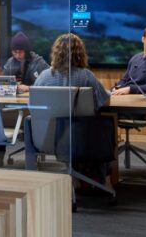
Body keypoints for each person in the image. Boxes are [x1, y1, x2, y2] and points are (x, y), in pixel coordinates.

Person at [32, 33, 112, 180]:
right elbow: (105, 102)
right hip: (81, 138)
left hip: (47, 139)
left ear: (56, 52)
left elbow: (33, 106)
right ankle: (106, 182)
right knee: (103, 124)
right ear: (80, 53)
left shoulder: (43, 77)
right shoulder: (86, 76)